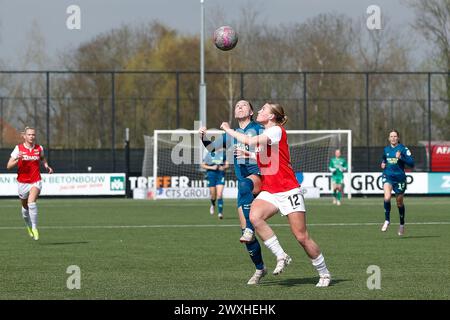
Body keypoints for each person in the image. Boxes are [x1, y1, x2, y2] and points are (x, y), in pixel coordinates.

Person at [220, 102, 332, 287]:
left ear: (271, 116)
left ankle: (324, 273)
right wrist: (250, 156)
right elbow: (267, 158)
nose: (260, 111)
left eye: (264, 109)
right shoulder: (266, 133)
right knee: (254, 217)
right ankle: (281, 255)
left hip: (288, 190)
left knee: (301, 237)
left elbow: (249, 141)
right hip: (270, 191)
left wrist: (226, 129)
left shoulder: (276, 130)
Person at [200, 100, 282, 285]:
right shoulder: (231, 134)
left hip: (260, 178)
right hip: (244, 186)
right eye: (237, 105)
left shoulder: (258, 128)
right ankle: (260, 268)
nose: (240, 107)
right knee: (248, 237)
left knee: (244, 185)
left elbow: (272, 149)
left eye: (244, 105)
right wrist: (203, 137)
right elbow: (211, 148)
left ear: (251, 111)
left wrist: (255, 154)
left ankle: (250, 231)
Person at [6, 126, 53, 241]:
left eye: (33, 135)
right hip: (22, 182)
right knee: (25, 206)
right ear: (24, 136)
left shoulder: (39, 148)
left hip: (36, 180)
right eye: (29, 135)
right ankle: (28, 226)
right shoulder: (19, 148)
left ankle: (35, 227)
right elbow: (8, 166)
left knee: (31, 203)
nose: (32, 136)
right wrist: (18, 159)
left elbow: (42, 158)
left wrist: (46, 166)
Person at [380, 129, 414, 236]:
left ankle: (402, 224)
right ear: (388, 138)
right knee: (387, 197)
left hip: (400, 179)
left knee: (399, 203)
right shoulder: (386, 149)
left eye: (395, 136)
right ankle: (387, 220)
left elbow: (412, 163)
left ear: (398, 138)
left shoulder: (403, 149)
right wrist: (383, 164)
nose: (393, 138)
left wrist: (401, 157)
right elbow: (384, 159)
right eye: (391, 136)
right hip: (388, 176)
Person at [201, 150, 229, 219]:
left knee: (219, 194)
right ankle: (213, 204)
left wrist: (224, 167)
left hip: (220, 175)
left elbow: (227, 164)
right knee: (213, 195)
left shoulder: (223, 154)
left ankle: (220, 213)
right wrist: (212, 167)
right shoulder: (209, 154)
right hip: (211, 175)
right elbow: (202, 165)